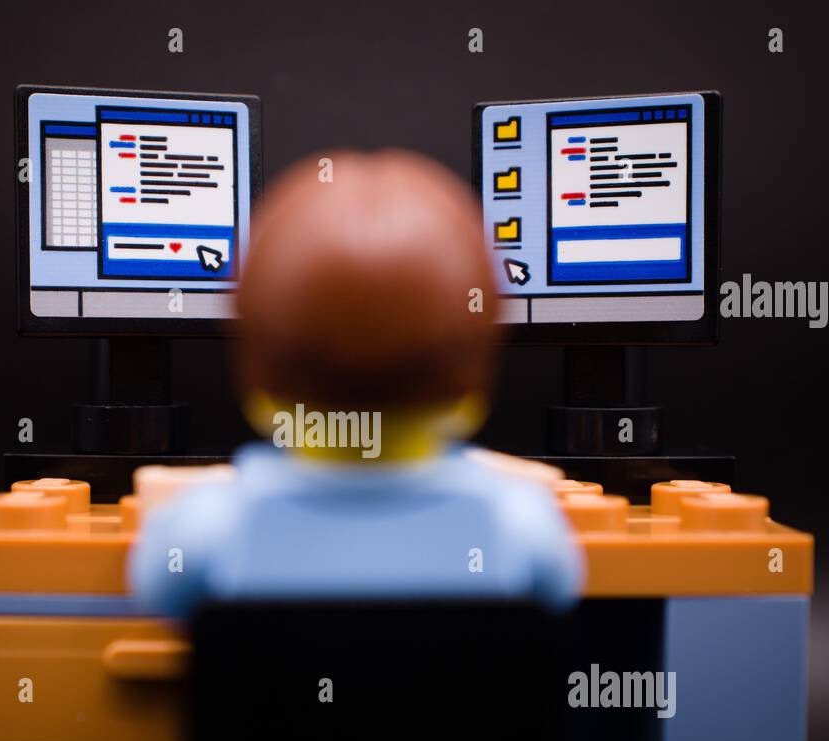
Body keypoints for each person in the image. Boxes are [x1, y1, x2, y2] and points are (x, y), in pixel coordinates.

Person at [130, 149, 583, 615]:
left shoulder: (203, 529)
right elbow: (557, 588)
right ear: (473, 378)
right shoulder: (521, 525)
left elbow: (159, 592)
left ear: (257, 374)